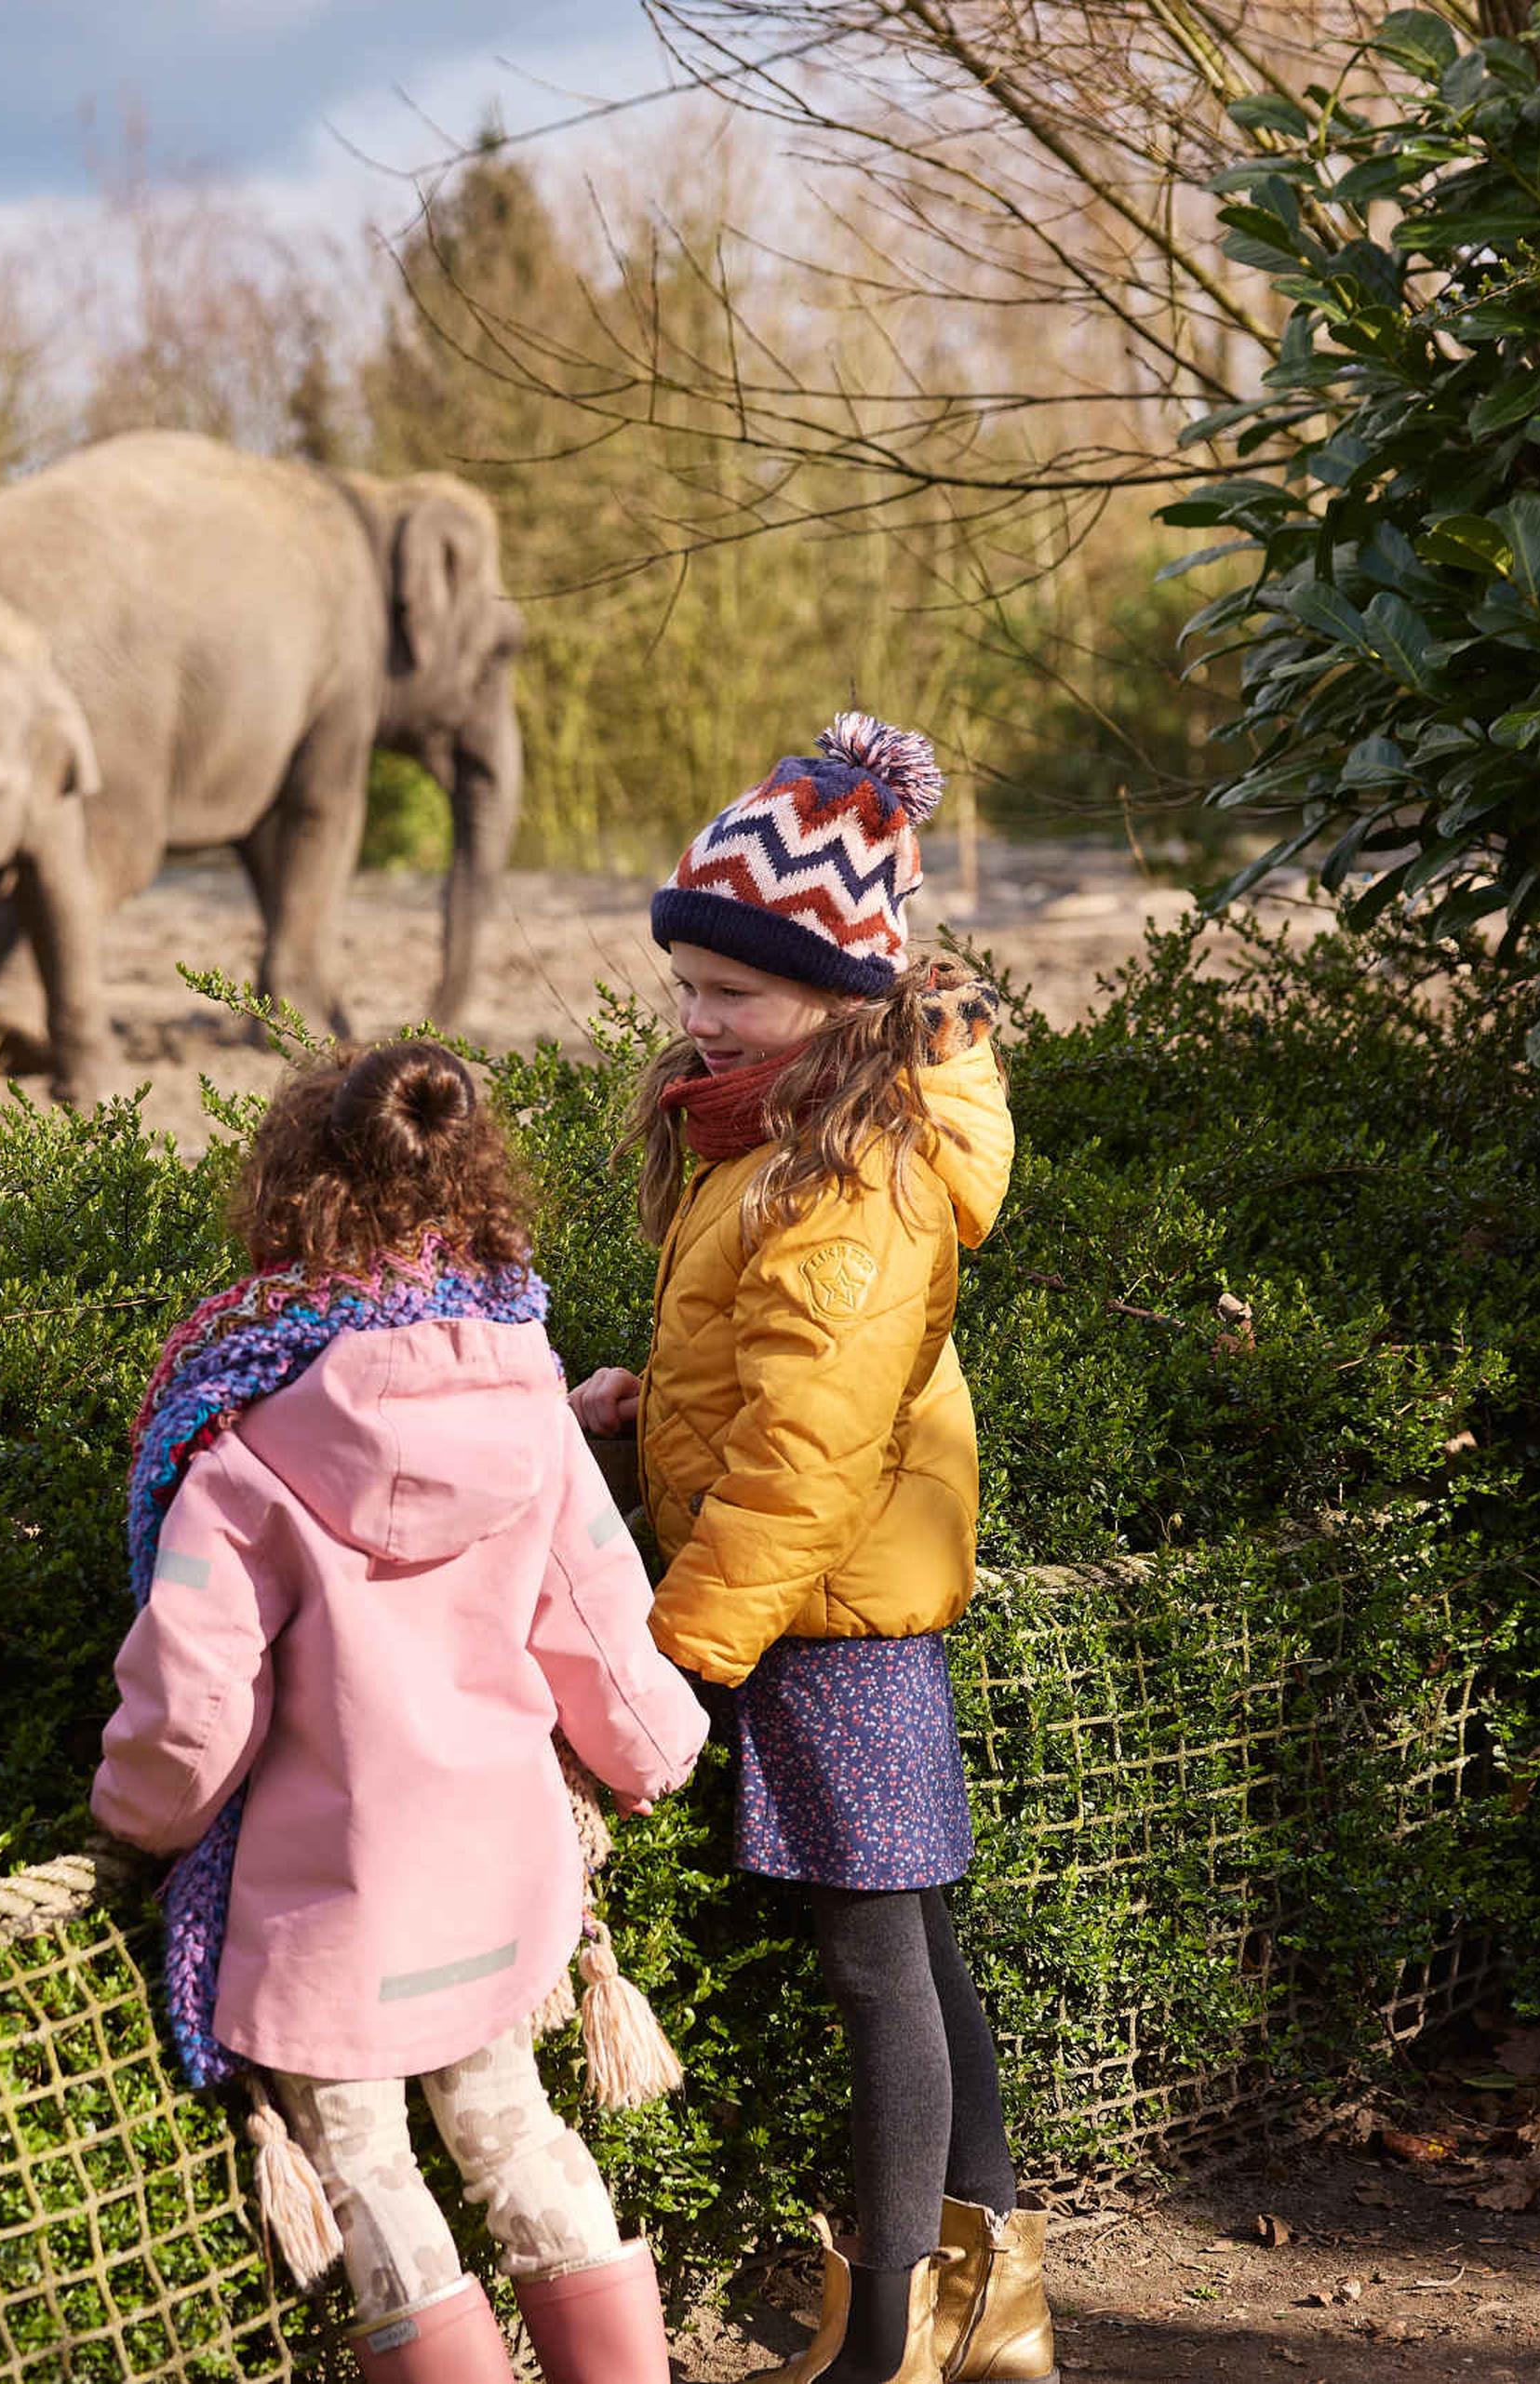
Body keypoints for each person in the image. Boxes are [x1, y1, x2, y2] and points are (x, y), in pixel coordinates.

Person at [92, 1039, 711, 2384]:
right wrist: (655, 1749)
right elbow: (597, 1619)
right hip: (497, 1884)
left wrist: (137, 1820)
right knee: (522, 2134)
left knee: (367, 2171)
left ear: (284, 1203)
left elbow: (191, 1707)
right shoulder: (529, 1401)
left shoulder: (242, 1448)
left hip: (330, 1909)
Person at [567, 713, 1054, 2384]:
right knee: (909, 1940)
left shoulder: (844, 1175)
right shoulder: (775, 1130)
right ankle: (999, 2305)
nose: (696, 1019)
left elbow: (814, 1449)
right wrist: (653, 1408)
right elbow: (759, 1376)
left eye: (733, 992)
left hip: (826, 1616)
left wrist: (679, 1643)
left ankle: (899, 2333)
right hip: (825, 1603)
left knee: (876, 1965)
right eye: (686, 981)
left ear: (840, 995)